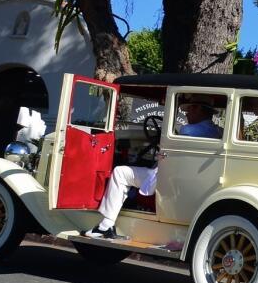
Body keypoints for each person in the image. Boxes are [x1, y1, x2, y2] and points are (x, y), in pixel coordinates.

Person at [84, 99, 223, 239]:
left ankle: (105, 225)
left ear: (199, 109)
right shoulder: (217, 131)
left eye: (189, 110)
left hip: (170, 176)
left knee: (120, 172)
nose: (186, 114)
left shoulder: (188, 130)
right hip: (195, 176)